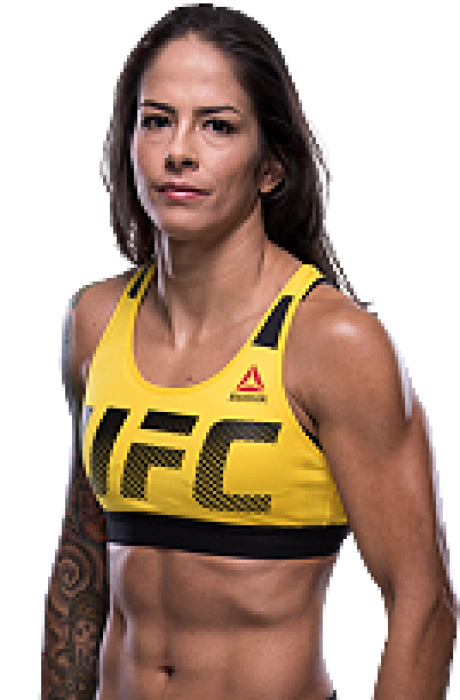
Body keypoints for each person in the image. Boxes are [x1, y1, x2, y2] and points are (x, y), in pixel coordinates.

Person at [45, 5, 456, 700]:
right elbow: (83, 554)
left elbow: (422, 604)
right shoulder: (96, 321)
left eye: (217, 125)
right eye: (157, 120)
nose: (179, 151)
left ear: (270, 166)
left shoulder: (329, 341)